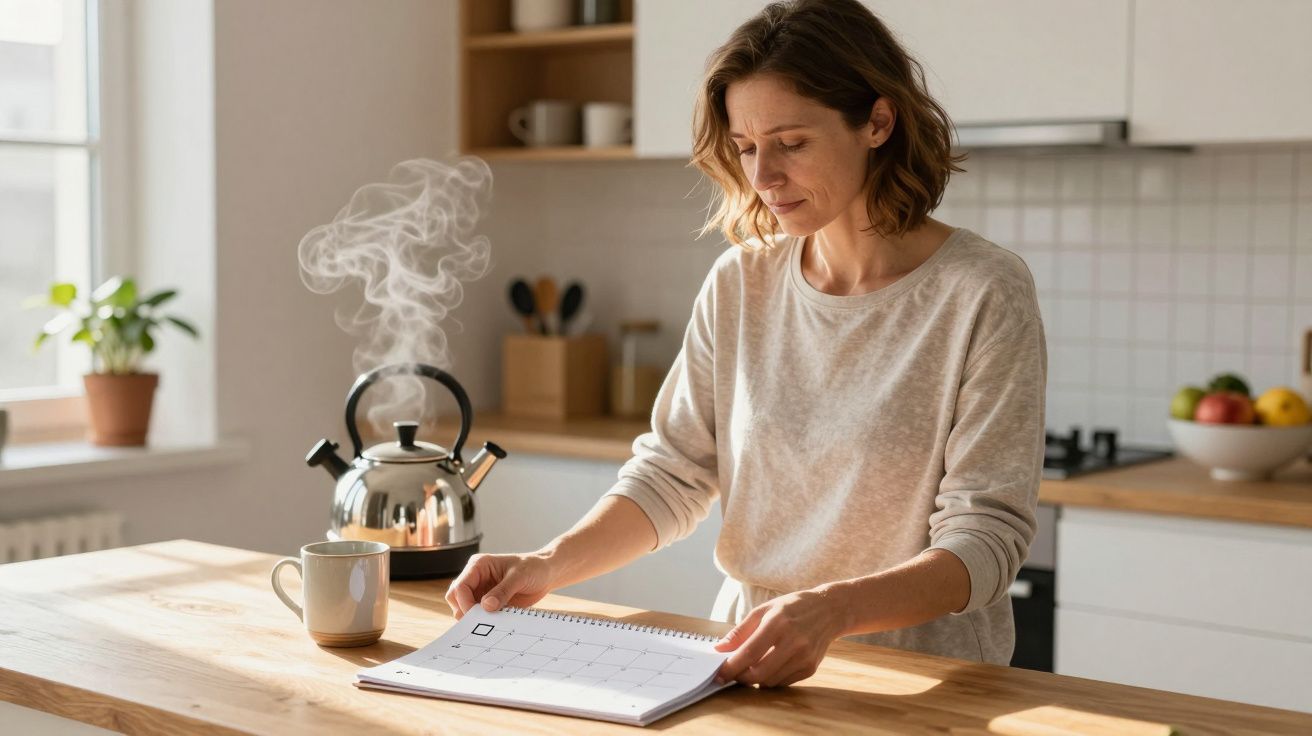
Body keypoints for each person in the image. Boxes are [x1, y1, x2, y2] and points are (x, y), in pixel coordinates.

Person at [446, 0, 1045, 688]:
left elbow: (986, 540)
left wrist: (832, 610)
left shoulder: (982, 291)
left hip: (920, 684)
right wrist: (545, 564)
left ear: (878, 122)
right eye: (746, 148)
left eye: (791, 143)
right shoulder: (743, 281)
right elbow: (673, 473)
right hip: (748, 667)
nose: (763, 178)